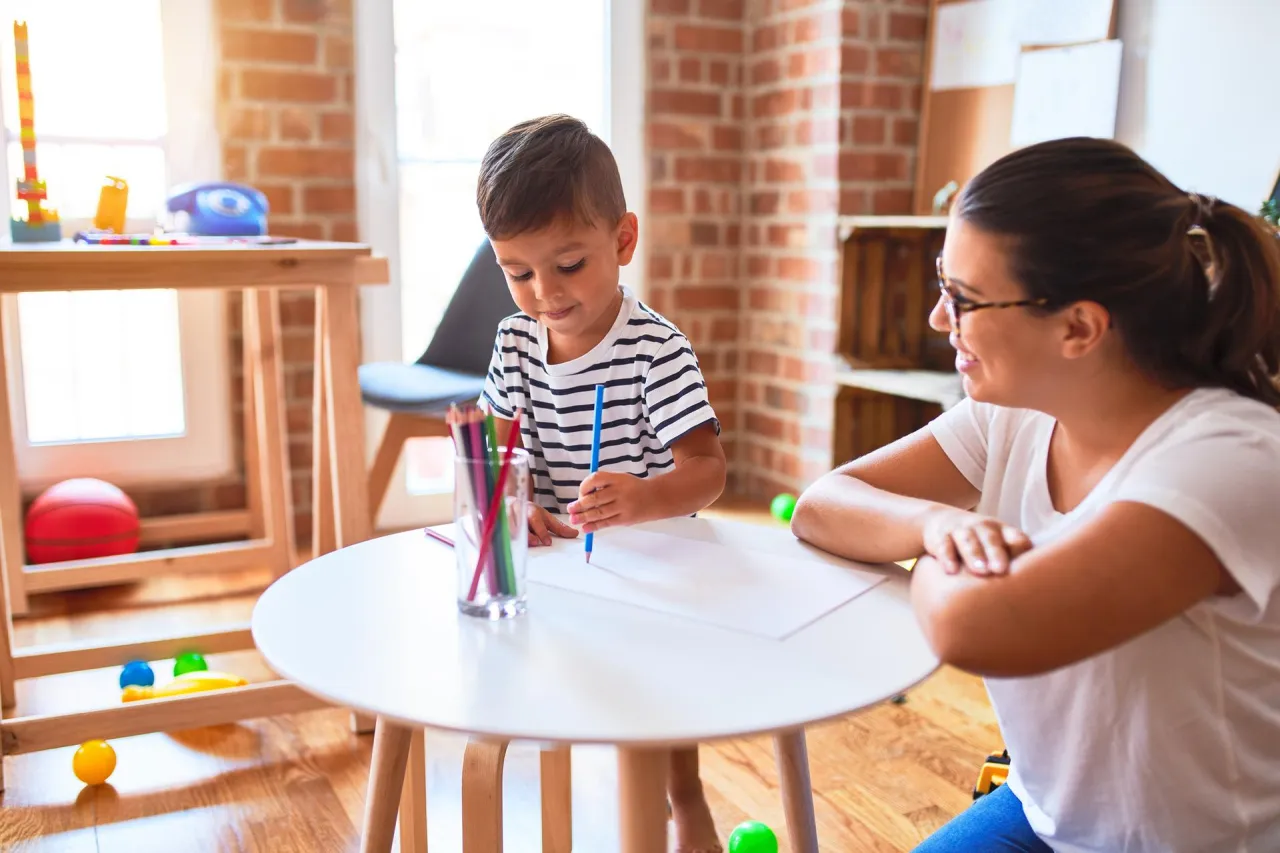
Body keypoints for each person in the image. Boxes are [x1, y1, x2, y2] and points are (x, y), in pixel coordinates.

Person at [790, 137, 1280, 852]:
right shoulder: (1011, 412)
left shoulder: (1228, 458)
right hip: (1044, 812)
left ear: (1079, 327)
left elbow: (975, 627)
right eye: (942, 284)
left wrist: (933, 549)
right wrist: (935, 524)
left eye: (963, 298)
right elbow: (823, 505)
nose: (937, 319)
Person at [476, 114, 727, 852]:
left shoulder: (656, 349)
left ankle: (685, 797)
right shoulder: (514, 342)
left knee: (658, 694)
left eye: (568, 264)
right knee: (562, 686)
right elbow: (490, 449)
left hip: (647, 561)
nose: (544, 293)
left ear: (622, 240)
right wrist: (512, 500)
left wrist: (643, 497)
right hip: (559, 559)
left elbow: (708, 471)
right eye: (518, 272)